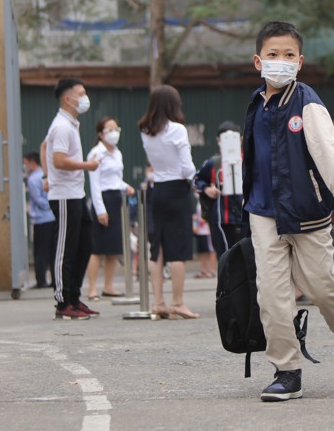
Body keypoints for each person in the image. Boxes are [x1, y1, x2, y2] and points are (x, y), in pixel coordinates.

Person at [242, 21, 334, 402]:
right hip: (264, 213)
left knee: (321, 287)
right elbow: (253, 160)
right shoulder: (255, 104)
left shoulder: (307, 102)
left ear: (300, 62)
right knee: (272, 295)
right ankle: (287, 371)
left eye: (288, 56)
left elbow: (328, 149)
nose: (279, 62)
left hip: (307, 214)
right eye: (272, 55)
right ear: (257, 61)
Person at [139, 85, 199, 319]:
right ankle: (178, 302)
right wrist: (194, 176)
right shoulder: (177, 130)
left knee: (158, 248)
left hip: (158, 189)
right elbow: (187, 167)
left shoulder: (145, 130)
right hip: (177, 189)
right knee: (178, 248)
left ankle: (159, 302)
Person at [43, 78, 100, 320]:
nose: (85, 98)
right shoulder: (63, 126)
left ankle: (74, 298)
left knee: (84, 245)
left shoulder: (69, 124)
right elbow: (58, 160)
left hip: (76, 194)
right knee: (65, 250)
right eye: (82, 93)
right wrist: (87, 165)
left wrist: (48, 176)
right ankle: (62, 301)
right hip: (65, 196)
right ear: (69, 99)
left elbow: (44, 145)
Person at [86, 116, 135, 300]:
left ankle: (108, 286)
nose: (114, 134)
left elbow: (116, 179)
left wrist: (126, 186)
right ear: (100, 134)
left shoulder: (117, 153)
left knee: (114, 248)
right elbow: (95, 184)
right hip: (103, 200)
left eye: (116, 129)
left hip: (116, 199)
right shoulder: (96, 154)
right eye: (109, 130)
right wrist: (100, 210)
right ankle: (92, 288)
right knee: (97, 248)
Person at [194, 121, 248, 260]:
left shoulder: (249, 161)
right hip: (221, 220)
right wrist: (207, 189)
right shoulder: (213, 163)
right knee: (225, 259)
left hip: (246, 218)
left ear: (241, 139)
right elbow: (197, 180)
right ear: (218, 140)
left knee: (247, 258)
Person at [24, 152, 56, 289]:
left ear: (32, 163)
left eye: (25, 163)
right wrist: (53, 206)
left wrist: (47, 206)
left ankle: (41, 281)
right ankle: (55, 280)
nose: (24, 166)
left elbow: (37, 200)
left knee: (40, 252)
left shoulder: (32, 179)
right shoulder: (47, 175)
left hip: (41, 220)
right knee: (54, 251)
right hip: (53, 218)